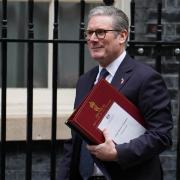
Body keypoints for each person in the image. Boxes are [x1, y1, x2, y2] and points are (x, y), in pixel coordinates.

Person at [58, 5, 173, 180]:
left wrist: (118, 152)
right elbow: (76, 139)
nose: (93, 39)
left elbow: (161, 136)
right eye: (89, 33)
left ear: (122, 36)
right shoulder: (85, 81)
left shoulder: (146, 78)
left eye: (101, 32)